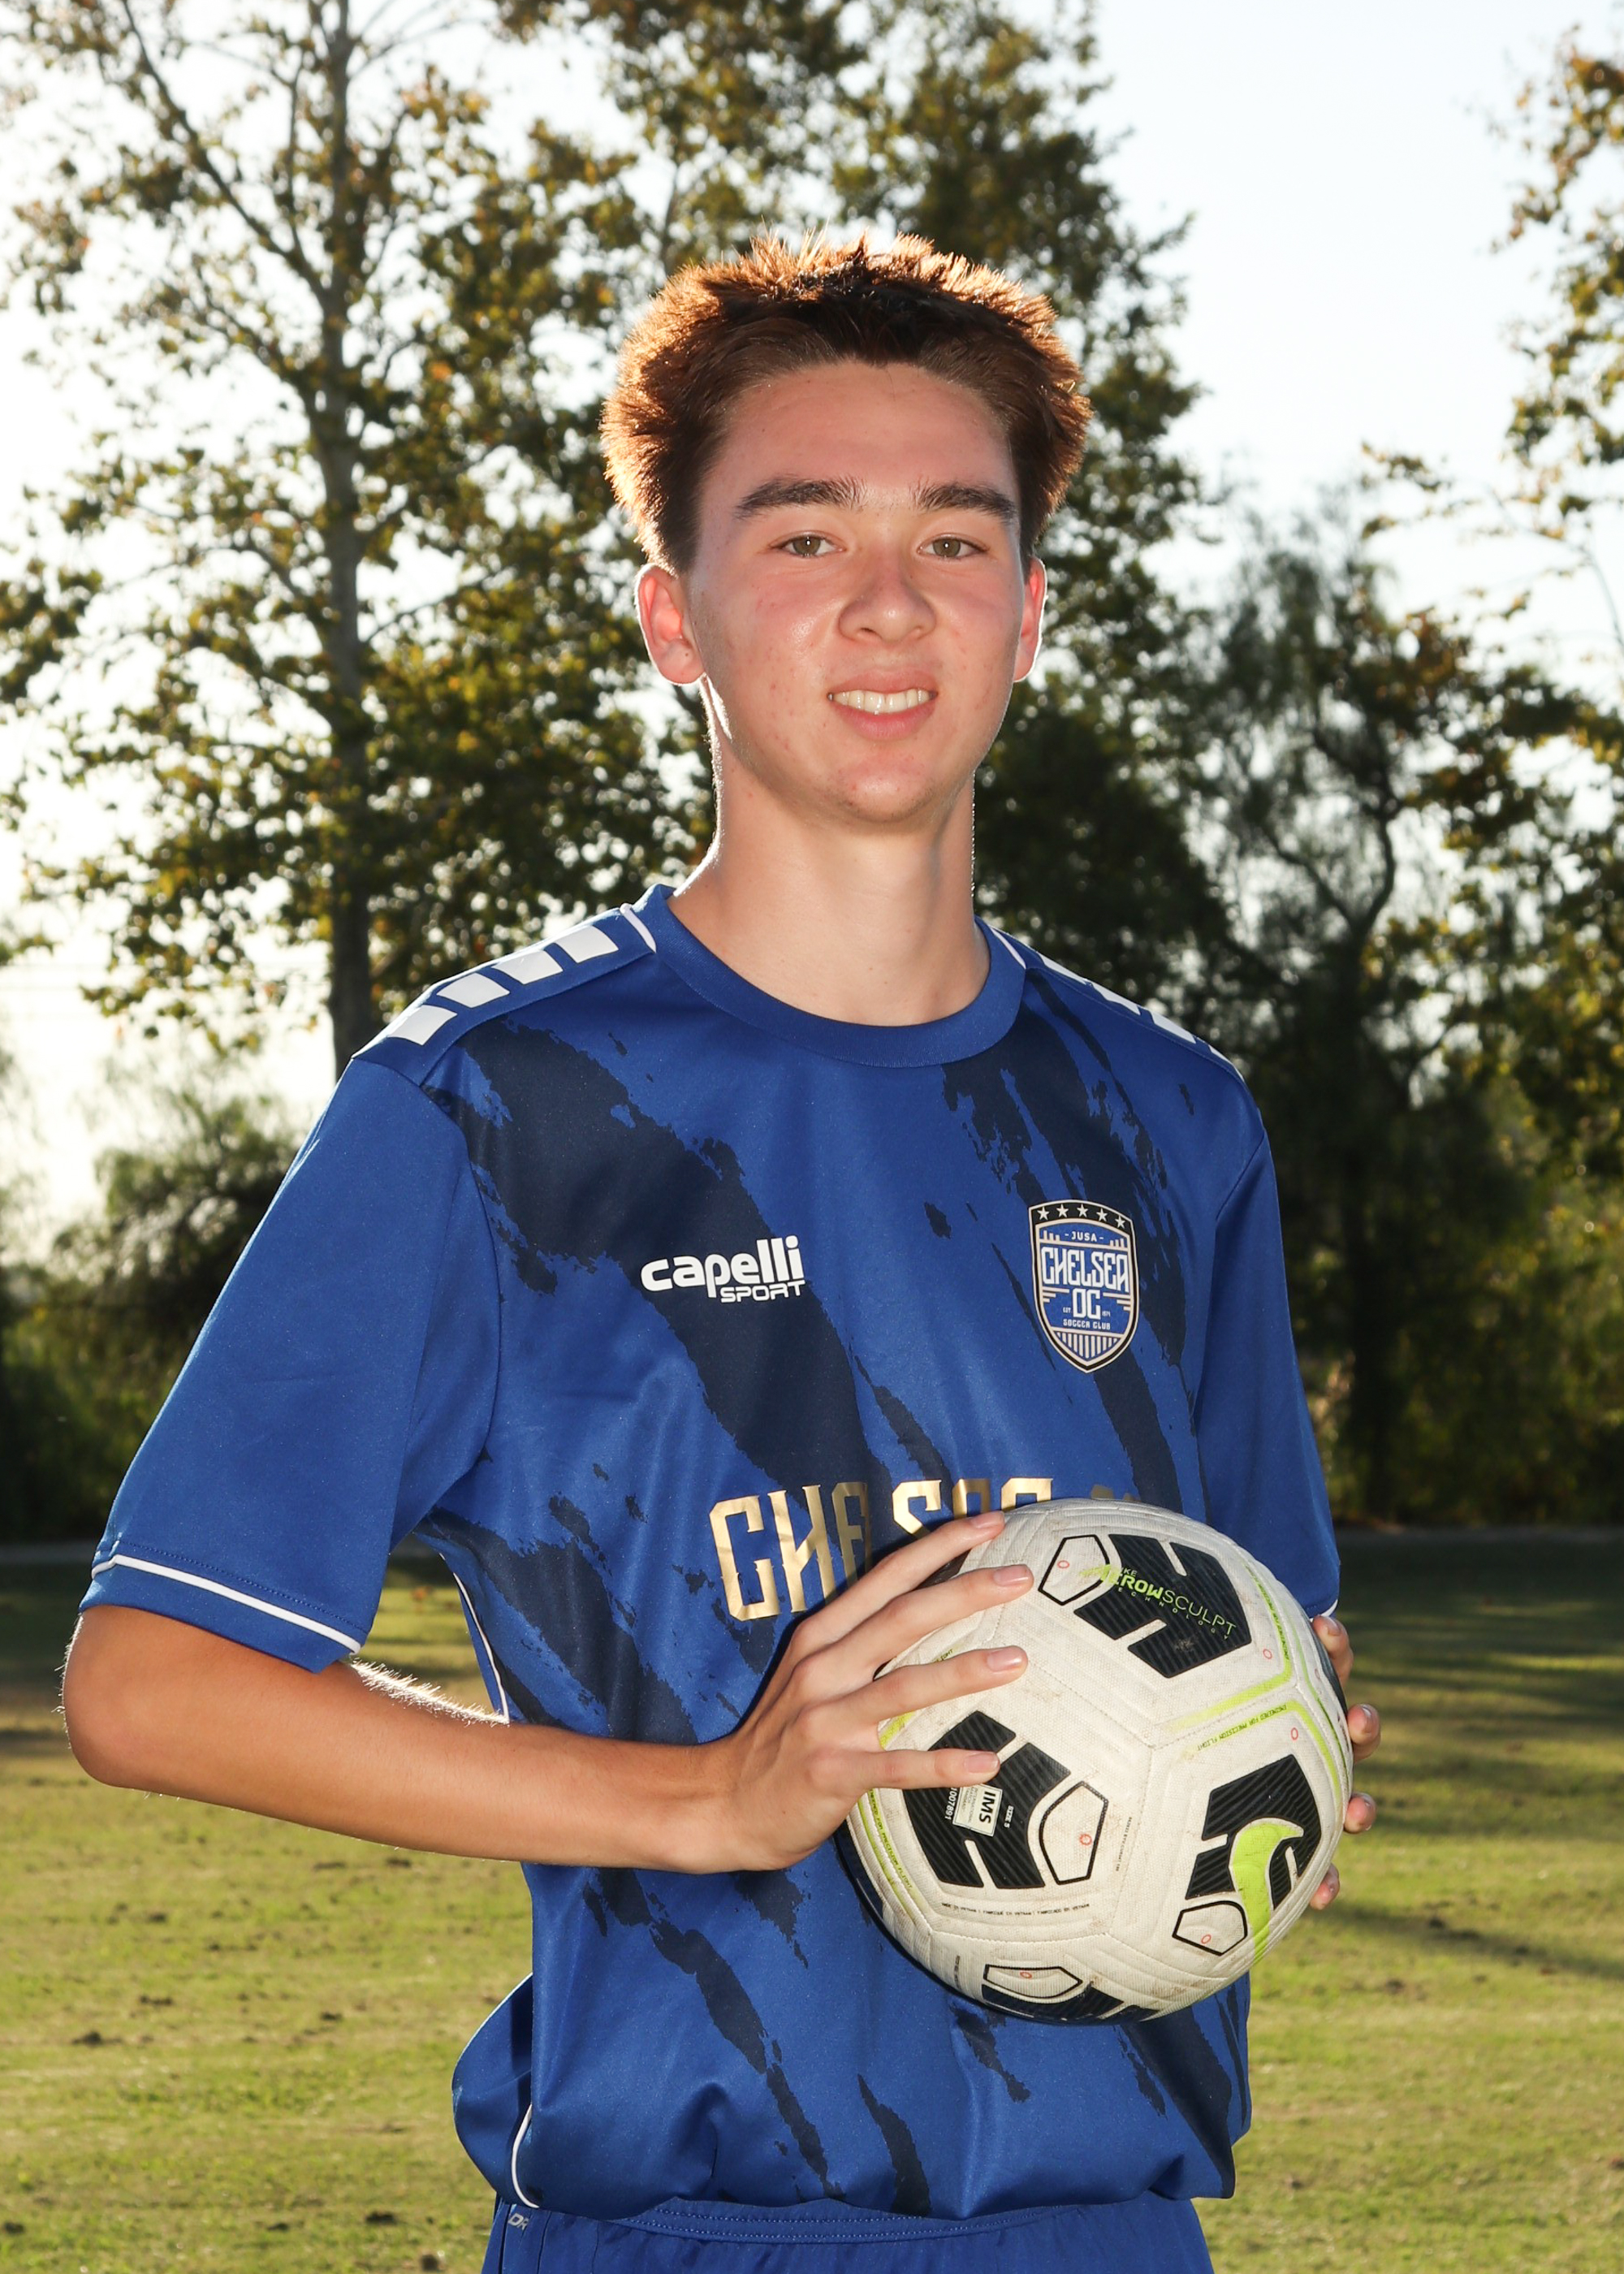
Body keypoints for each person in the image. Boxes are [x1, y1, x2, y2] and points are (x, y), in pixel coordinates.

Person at [63, 235, 1379, 2274]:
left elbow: (1263, 1627)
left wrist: (1265, 1734)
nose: (889, 601)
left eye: (956, 538)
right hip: (691, 2231)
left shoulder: (1170, 1117)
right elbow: (153, 1682)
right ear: (672, 615)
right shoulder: (496, 1107)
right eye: (805, 534)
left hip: (1104, 2232)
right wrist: (706, 1796)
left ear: (1030, 613)